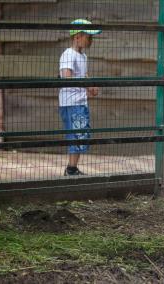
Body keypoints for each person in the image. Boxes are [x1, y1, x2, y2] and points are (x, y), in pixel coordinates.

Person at [59, 19, 101, 176]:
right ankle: (71, 169)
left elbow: (84, 76)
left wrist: (91, 86)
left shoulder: (83, 56)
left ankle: (72, 168)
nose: (91, 40)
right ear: (77, 37)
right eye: (88, 36)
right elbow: (67, 77)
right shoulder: (68, 54)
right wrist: (86, 86)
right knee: (76, 134)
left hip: (80, 101)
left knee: (80, 133)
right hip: (71, 102)